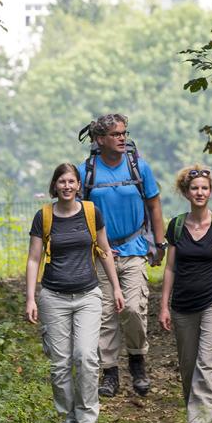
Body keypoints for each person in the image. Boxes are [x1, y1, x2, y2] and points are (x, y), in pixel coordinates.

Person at [25, 163, 125, 423]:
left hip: (88, 295)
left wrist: (116, 288)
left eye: (72, 181)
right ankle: (66, 418)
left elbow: (104, 251)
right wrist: (30, 297)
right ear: (54, 185)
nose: (67, 186)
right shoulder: (43, 216)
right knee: (59, 363)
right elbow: (34, 259)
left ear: (79, 185)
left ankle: (87, 418)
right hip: (53, 297)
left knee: (86, 357)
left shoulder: (92, 213)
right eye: (62, 181)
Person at [77, 113, 166, 397]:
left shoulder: (139, 167)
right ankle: (110, 373)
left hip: (134, 249)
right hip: (102, 253)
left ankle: (138, 360)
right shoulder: (86, 172)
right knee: (106, 313)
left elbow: (154, 206)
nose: (122, 138)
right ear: (100, 139)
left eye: (124, 133)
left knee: (133, 308)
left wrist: (159, 243)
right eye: (116, 134)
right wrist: (91, 245)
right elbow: (79, 213)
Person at [158, 164, 212, 423]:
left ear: (210, 191)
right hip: (183, 304)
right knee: (188, 363)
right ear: (186, 192)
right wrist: (164, 305)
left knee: (206, 361)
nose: (200, 192)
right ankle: (194, 411)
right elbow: (169, 268)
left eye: (204, 188)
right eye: (195, 188)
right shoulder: (177, 225)